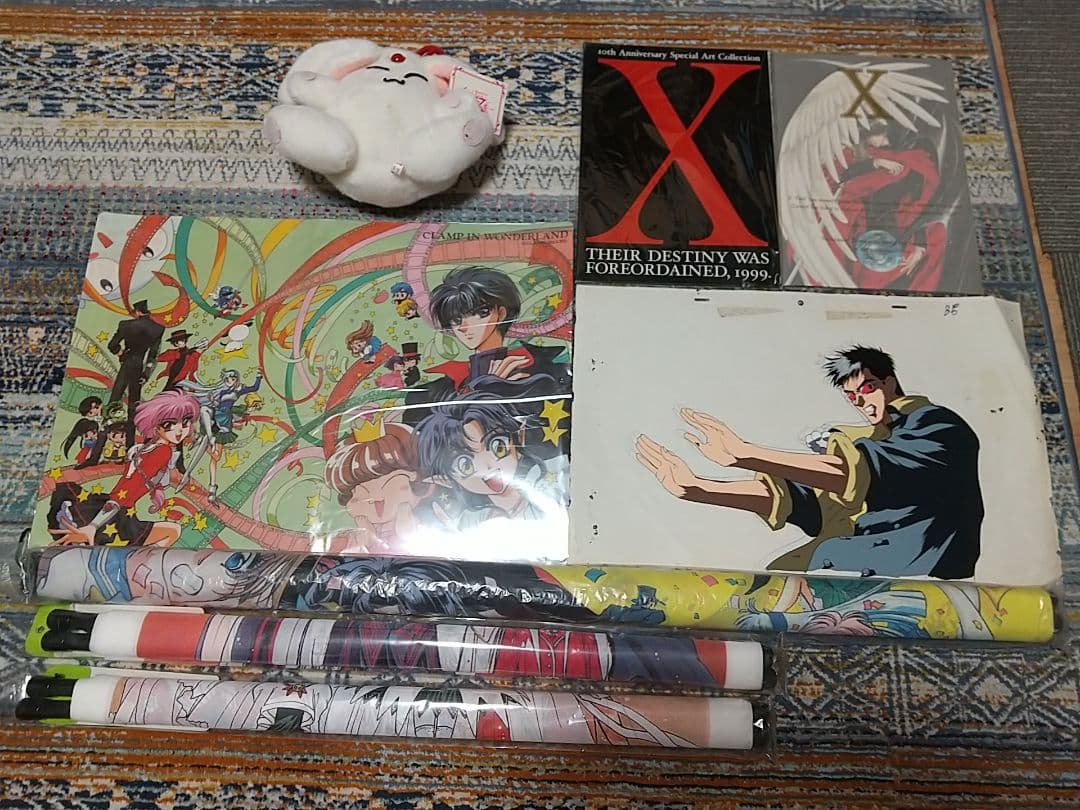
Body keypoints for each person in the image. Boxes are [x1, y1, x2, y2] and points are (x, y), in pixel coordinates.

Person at [635, 346, 983, 579]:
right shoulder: (868, 438)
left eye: (868, 388)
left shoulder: (938, 426)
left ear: (889, 382)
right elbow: (805, 500)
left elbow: (867, 474)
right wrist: (700, 489)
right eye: (852, 396)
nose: (862, 402)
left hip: (919, 572)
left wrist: (747, 454)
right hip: (852, 566)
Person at [403, 266, 570, 430]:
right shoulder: (436, 391)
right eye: (456, 320)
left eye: (478, 313)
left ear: (501, 313)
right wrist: (482, 390)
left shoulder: (537, 374)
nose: (464, 327)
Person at [47, 390, 200, 547]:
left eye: (185, 422)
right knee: (173, 531)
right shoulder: (162, 451)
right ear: (155, 426)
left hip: (113, 507)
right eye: (169, 424)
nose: (179, 430)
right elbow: (130, 486)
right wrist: (94, 525)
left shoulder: (143, 448)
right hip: (118, 513)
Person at [415, 389, 567, 531]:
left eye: (498, 447)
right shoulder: (469, 521)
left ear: (519, 437)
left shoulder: (552, 476)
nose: (488, 467)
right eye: (466, 465)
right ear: (445, 479)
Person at [324, 420, 431, 553]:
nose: (377, 498)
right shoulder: (346, 539)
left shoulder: (428, 530)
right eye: (362, 491)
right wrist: (365, 538)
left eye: (391, 485)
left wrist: (405, 529)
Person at [180, 369, 262, 501]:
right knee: (215, 454)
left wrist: (259, 377)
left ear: (236, 379)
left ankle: (212, 487)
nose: (230, 381)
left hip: (224, 421)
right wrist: (212, 401)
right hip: (215, 416)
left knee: (216, 457)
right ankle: (203, 439)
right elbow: (218, 404)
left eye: (233, 379)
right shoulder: (222, 391)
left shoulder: (239, 390)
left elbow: (254, 387)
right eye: (228, 379)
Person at [107, 300, 165, 447]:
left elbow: (112, 345)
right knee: (133, 406)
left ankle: (106, 438)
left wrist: (121, 354)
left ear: (137, 312)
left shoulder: (125, 325)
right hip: (139, 368)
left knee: (115, 400)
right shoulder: (158, 328)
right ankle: (130, 443)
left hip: (127, 365)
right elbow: (153, 355)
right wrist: (146, 373)